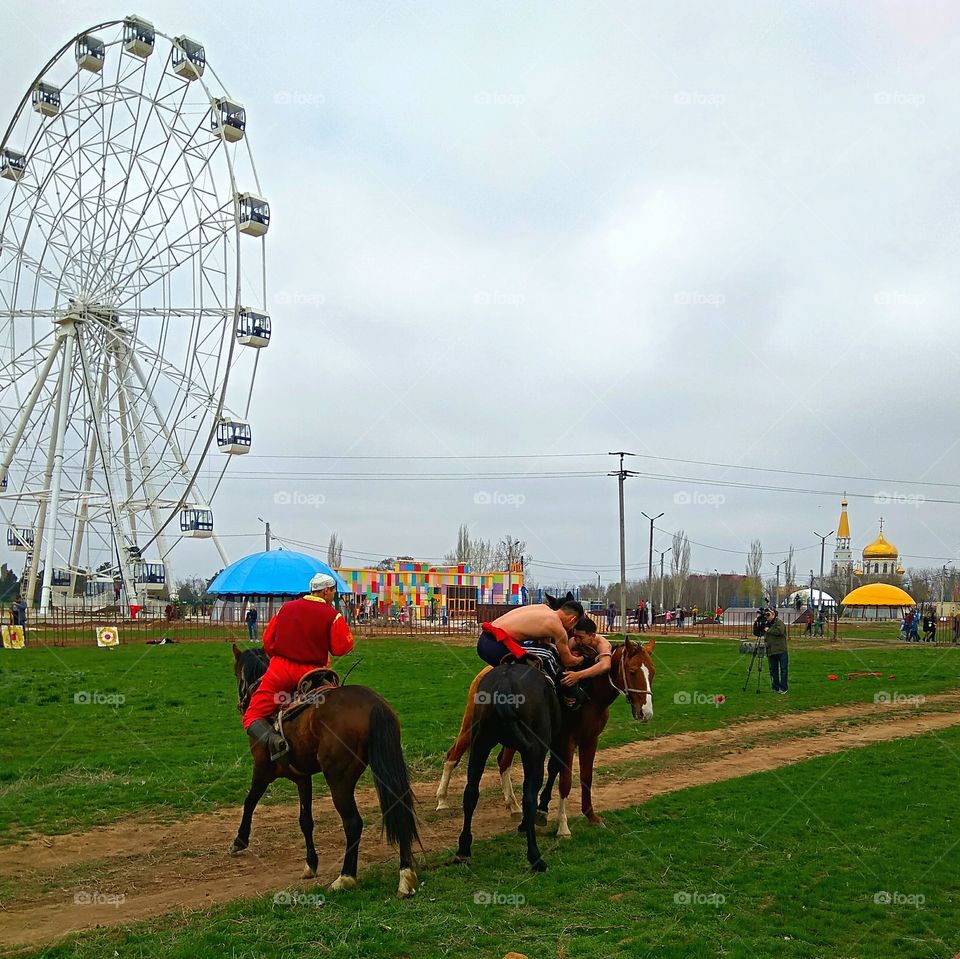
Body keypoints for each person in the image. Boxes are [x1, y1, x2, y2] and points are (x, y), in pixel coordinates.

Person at [242, 573, 354, 761]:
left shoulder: (285, 609)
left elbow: (268, 642)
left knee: (252, 714)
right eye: (333, 591)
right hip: (314, 674)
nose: (333, 595)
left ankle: (274, 741)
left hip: (281, 671)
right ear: (325, 590)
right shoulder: (333, 615)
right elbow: (341, 648)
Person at [476, 600, 583, 672]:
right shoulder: (558, 628)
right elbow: (567, 661)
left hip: (484, 639)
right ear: (572, 619)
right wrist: (582, 659)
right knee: (543, 663)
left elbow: (545, 642)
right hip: (496, 645)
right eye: (574, 625)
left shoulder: (543, 608)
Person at [762, 607, 789, 694]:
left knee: (783, 669)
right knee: (773, 669)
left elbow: (779, 632)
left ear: (773, 615)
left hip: (781, 650)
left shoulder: (779, 623)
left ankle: (784, 688)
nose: (767, 616)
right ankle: (775, 687)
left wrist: (768, 630)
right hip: (771, 650)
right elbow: (757, 632)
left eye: (768, 614)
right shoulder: (766, 624)